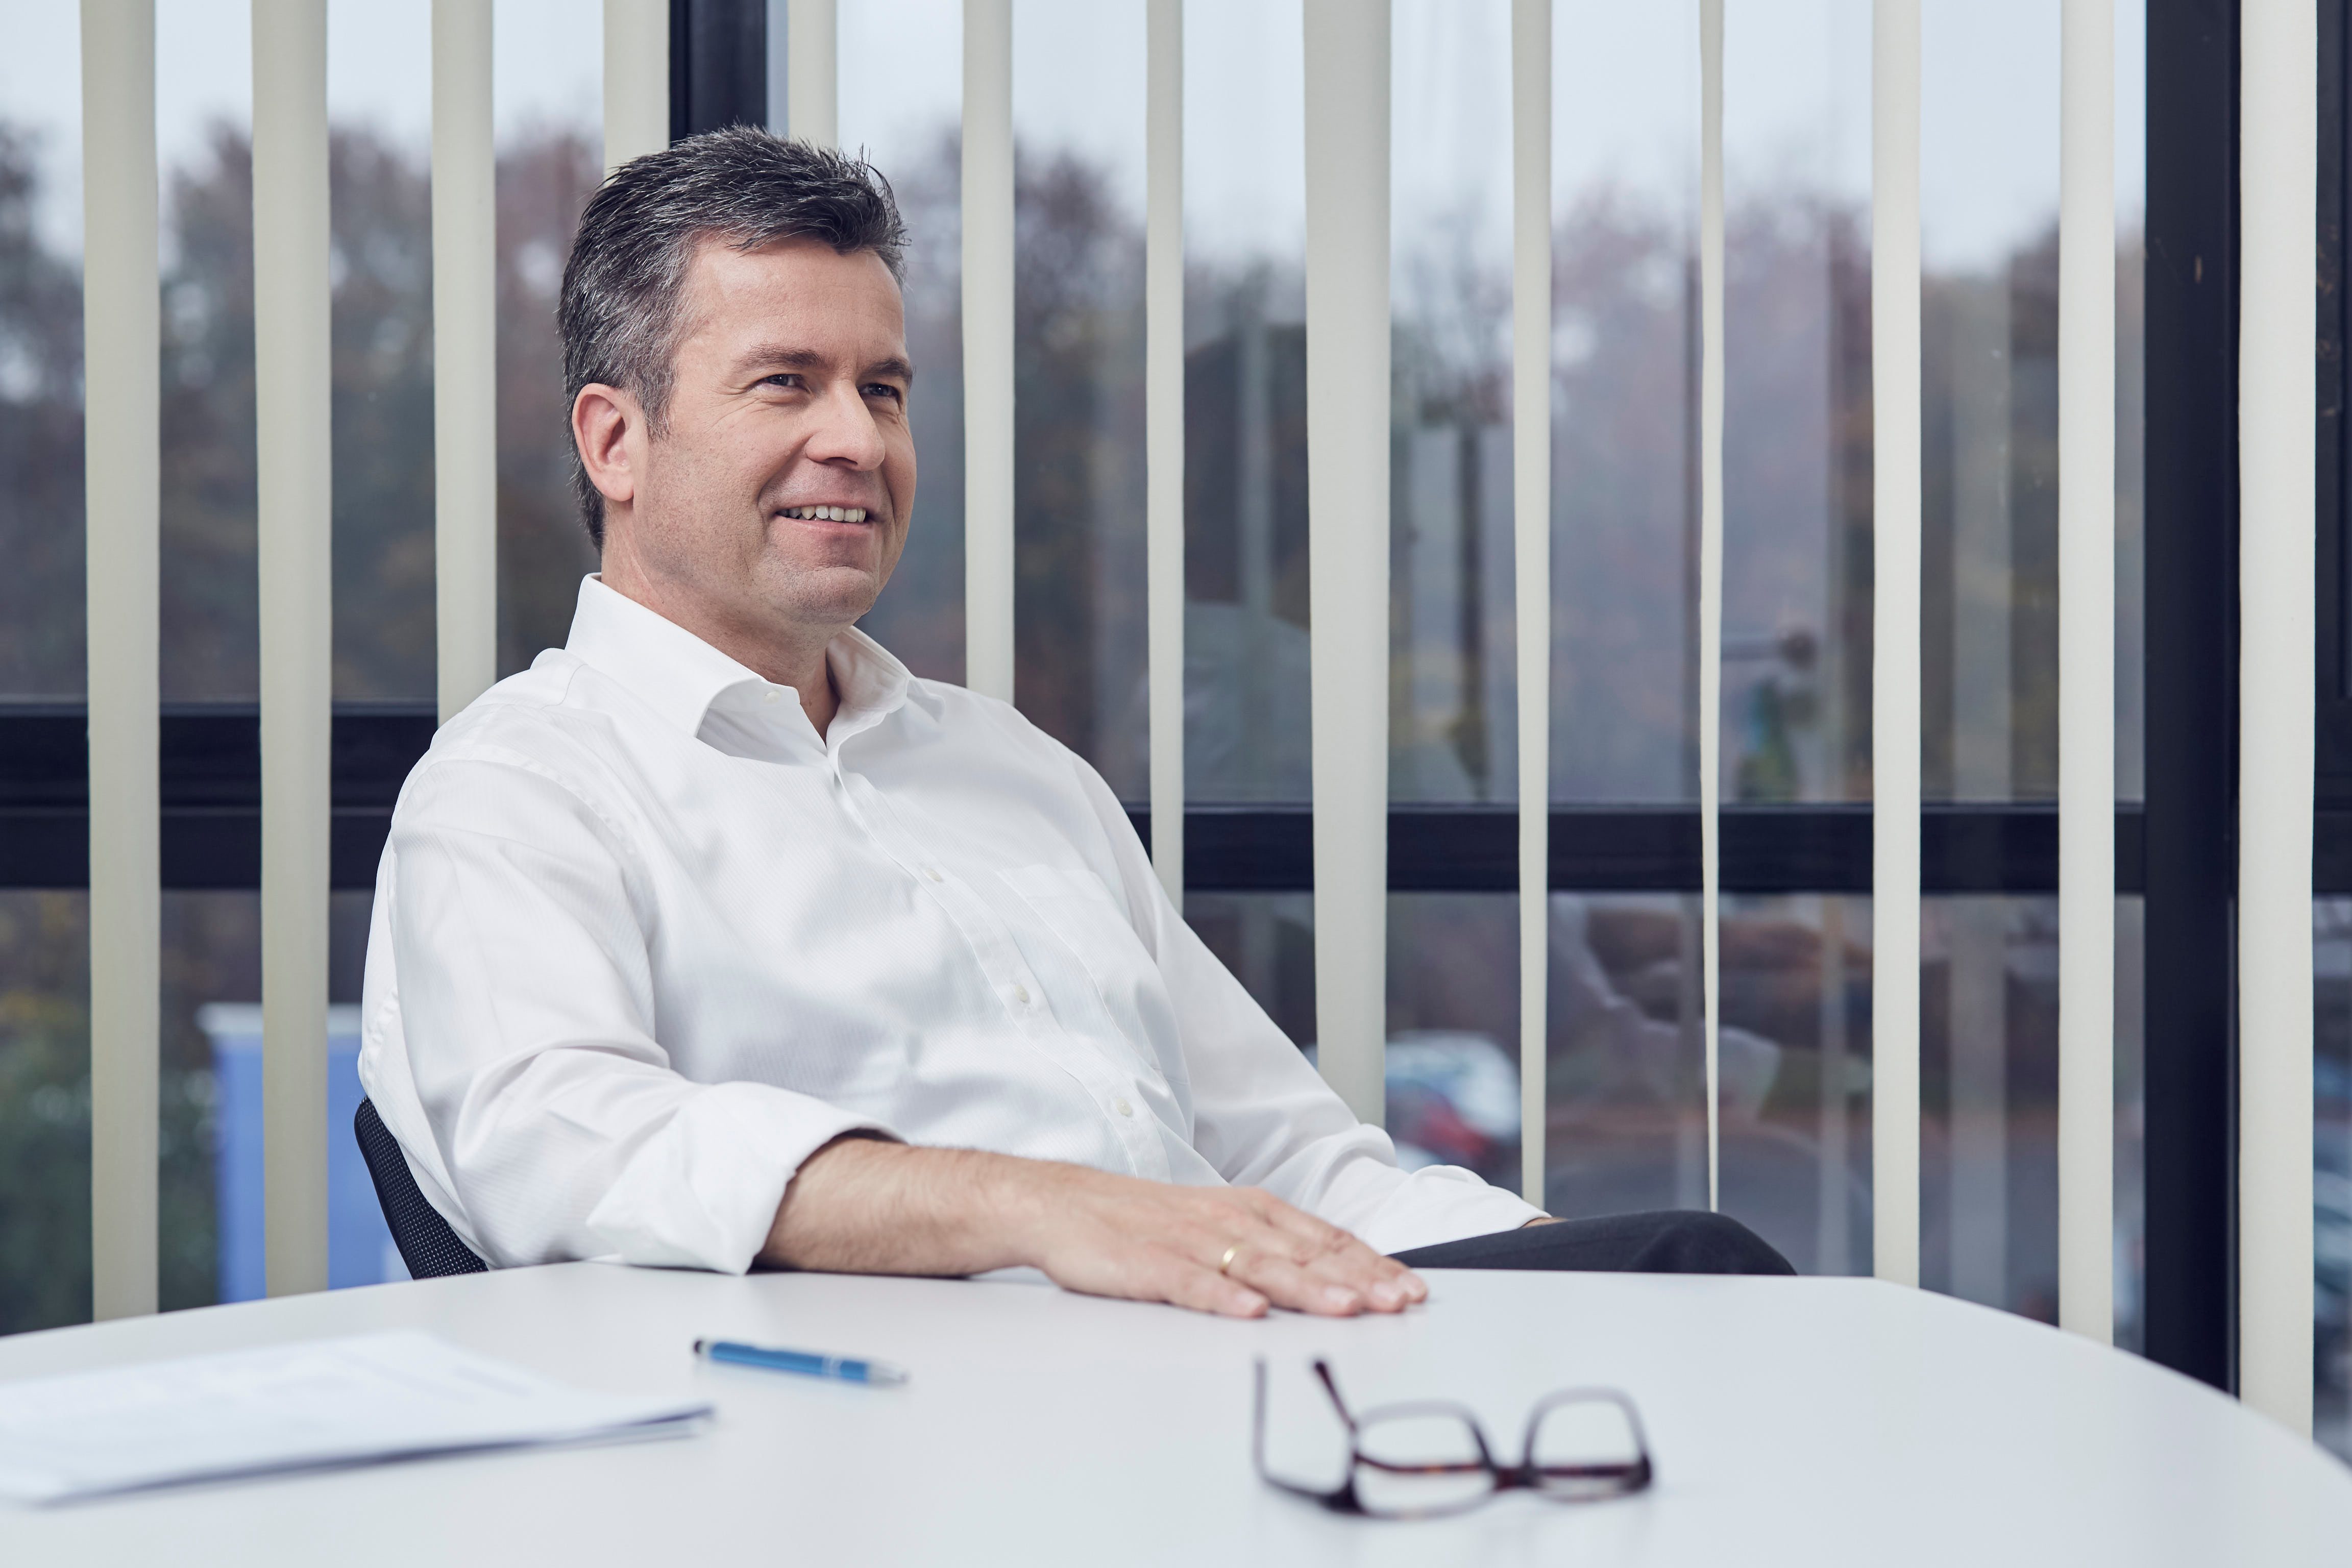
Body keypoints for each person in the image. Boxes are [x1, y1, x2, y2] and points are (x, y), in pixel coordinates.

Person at [359, 128, 1790, 1322]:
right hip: (882, 1463)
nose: (857, 438)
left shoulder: (1014, 773)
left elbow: (1287, 1158)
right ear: (616, 440)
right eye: (785, 383)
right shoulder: (516, 792)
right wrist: (1035, 1208)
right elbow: (559, 1151)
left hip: (1225, 1394)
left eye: (885, 388)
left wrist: (1548, 1267)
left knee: (1706, 1288)